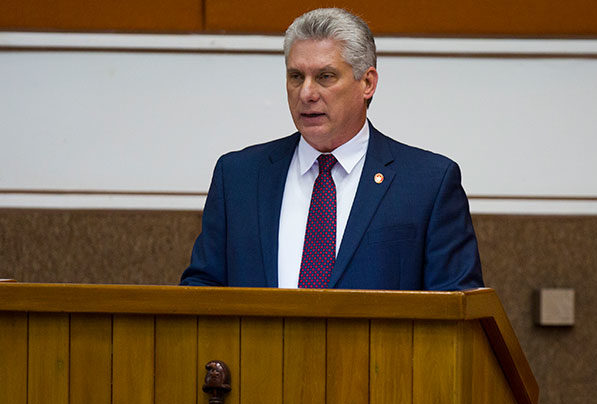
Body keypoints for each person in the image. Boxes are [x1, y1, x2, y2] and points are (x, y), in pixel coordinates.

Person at [181, 8, 483, 291]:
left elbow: (456, 307)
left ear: (367, 82)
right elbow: (201, 291)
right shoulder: (238, 177)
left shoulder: (428, 184)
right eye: (296, 77)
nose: (307, 93)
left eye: (325, 76)